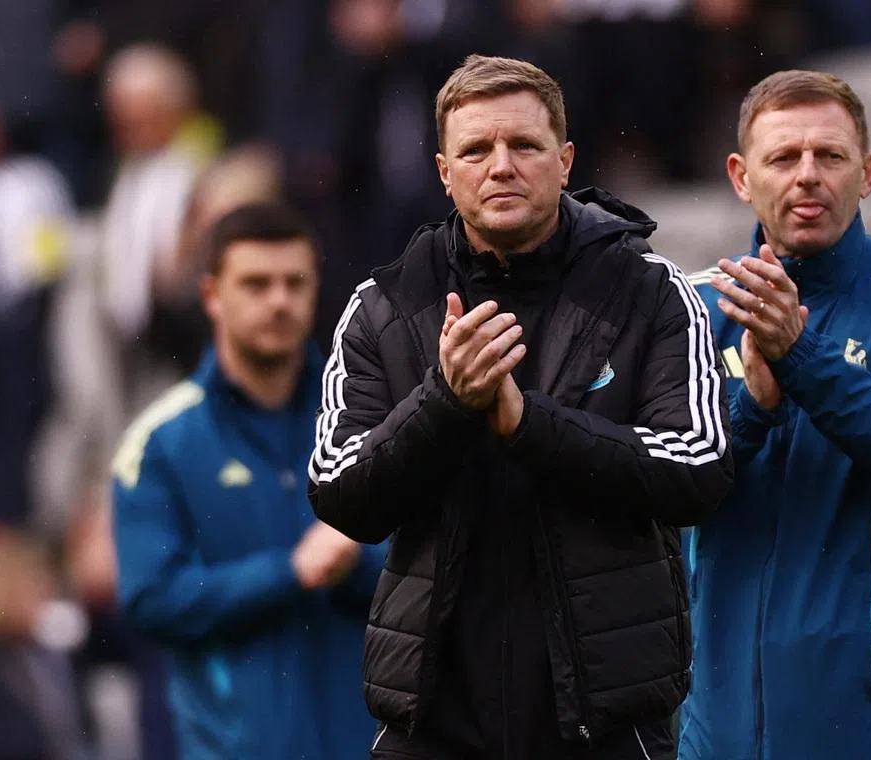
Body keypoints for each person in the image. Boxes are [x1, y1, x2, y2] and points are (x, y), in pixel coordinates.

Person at [307, 54, 732, 760]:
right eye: (475, 149)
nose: (500, 166)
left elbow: (699, 470)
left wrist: (526, 423)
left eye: (524, 146)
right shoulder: (383, 305)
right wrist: (445, 403)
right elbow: (342, 491)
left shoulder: (651, 290)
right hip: (435, 720)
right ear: (445, 173)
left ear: (564, 161)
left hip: (605, 721)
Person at [680, 70, 871, 759]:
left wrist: (802, 357)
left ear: (869, 172)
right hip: (714, 739)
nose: (807, 175)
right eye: (784, 157)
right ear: (740, 175)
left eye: (831, 156)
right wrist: (753, 409)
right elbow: (664, 487)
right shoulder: (693, 310)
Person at [111, 204, 386, 759]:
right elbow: (150, 598)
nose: (279, 301)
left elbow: (434, 571)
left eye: (294, 283)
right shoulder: (160, 443)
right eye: (256, 284)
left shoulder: (376, 421)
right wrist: (289, 574)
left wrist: (356, 564)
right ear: (212, 295)